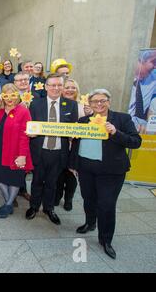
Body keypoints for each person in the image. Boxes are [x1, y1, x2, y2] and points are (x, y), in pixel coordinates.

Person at [69, 89, 142, 259]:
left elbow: (135, 142)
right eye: (95, 102)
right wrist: (73, 165)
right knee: (88, 198)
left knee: (107, 205)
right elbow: (76, 144)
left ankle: (106, 239)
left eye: (103, 101)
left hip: (111, 171)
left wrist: (115, 133)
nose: (99, 104)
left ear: (109, 101)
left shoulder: (122, 119)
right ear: (90, 104)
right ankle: (90, 223)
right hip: (86, 168)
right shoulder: (83, 121)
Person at [26, 74, 78, 225]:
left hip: (59, 152)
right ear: (46, 86)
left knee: (52, 182)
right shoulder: (36, 104)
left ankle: (49, 208)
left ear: (62, 87)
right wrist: (30, 133)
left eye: (59, 85)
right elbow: (29, 125)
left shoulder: (71, 105)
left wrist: (73, 134)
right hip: (39, 150)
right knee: (36, 181)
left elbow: (73, 129)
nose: (56, 88)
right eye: (52, 85)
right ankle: (34, 206)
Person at [0, 84, 33, 218]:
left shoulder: (23, 111)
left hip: (15, 151)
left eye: (12, 95)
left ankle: (8, 205)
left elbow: (25, 135)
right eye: (6, 95)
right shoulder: (0, 110)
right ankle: (9, 202)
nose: (9, 99)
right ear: (2, 97)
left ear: (17, 96)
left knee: (14, 179)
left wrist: (23, 155)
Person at [55, 78, 92, 211]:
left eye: (73, 87)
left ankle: (68, 198)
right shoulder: (56, 104)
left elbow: (91, 126)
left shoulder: (84, 106)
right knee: (59, 173)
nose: (70, 90)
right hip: (61, 144)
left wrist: (90, 115)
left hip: (76, 146)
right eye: (67, 87)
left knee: (71, 176)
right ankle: (57, 195)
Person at [128, 50, 156, 133]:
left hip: (142, 128)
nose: (155, 67)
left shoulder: (153, 77)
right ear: (141, 60)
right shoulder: (122, 78)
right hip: (123, 124)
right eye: (153, 62)